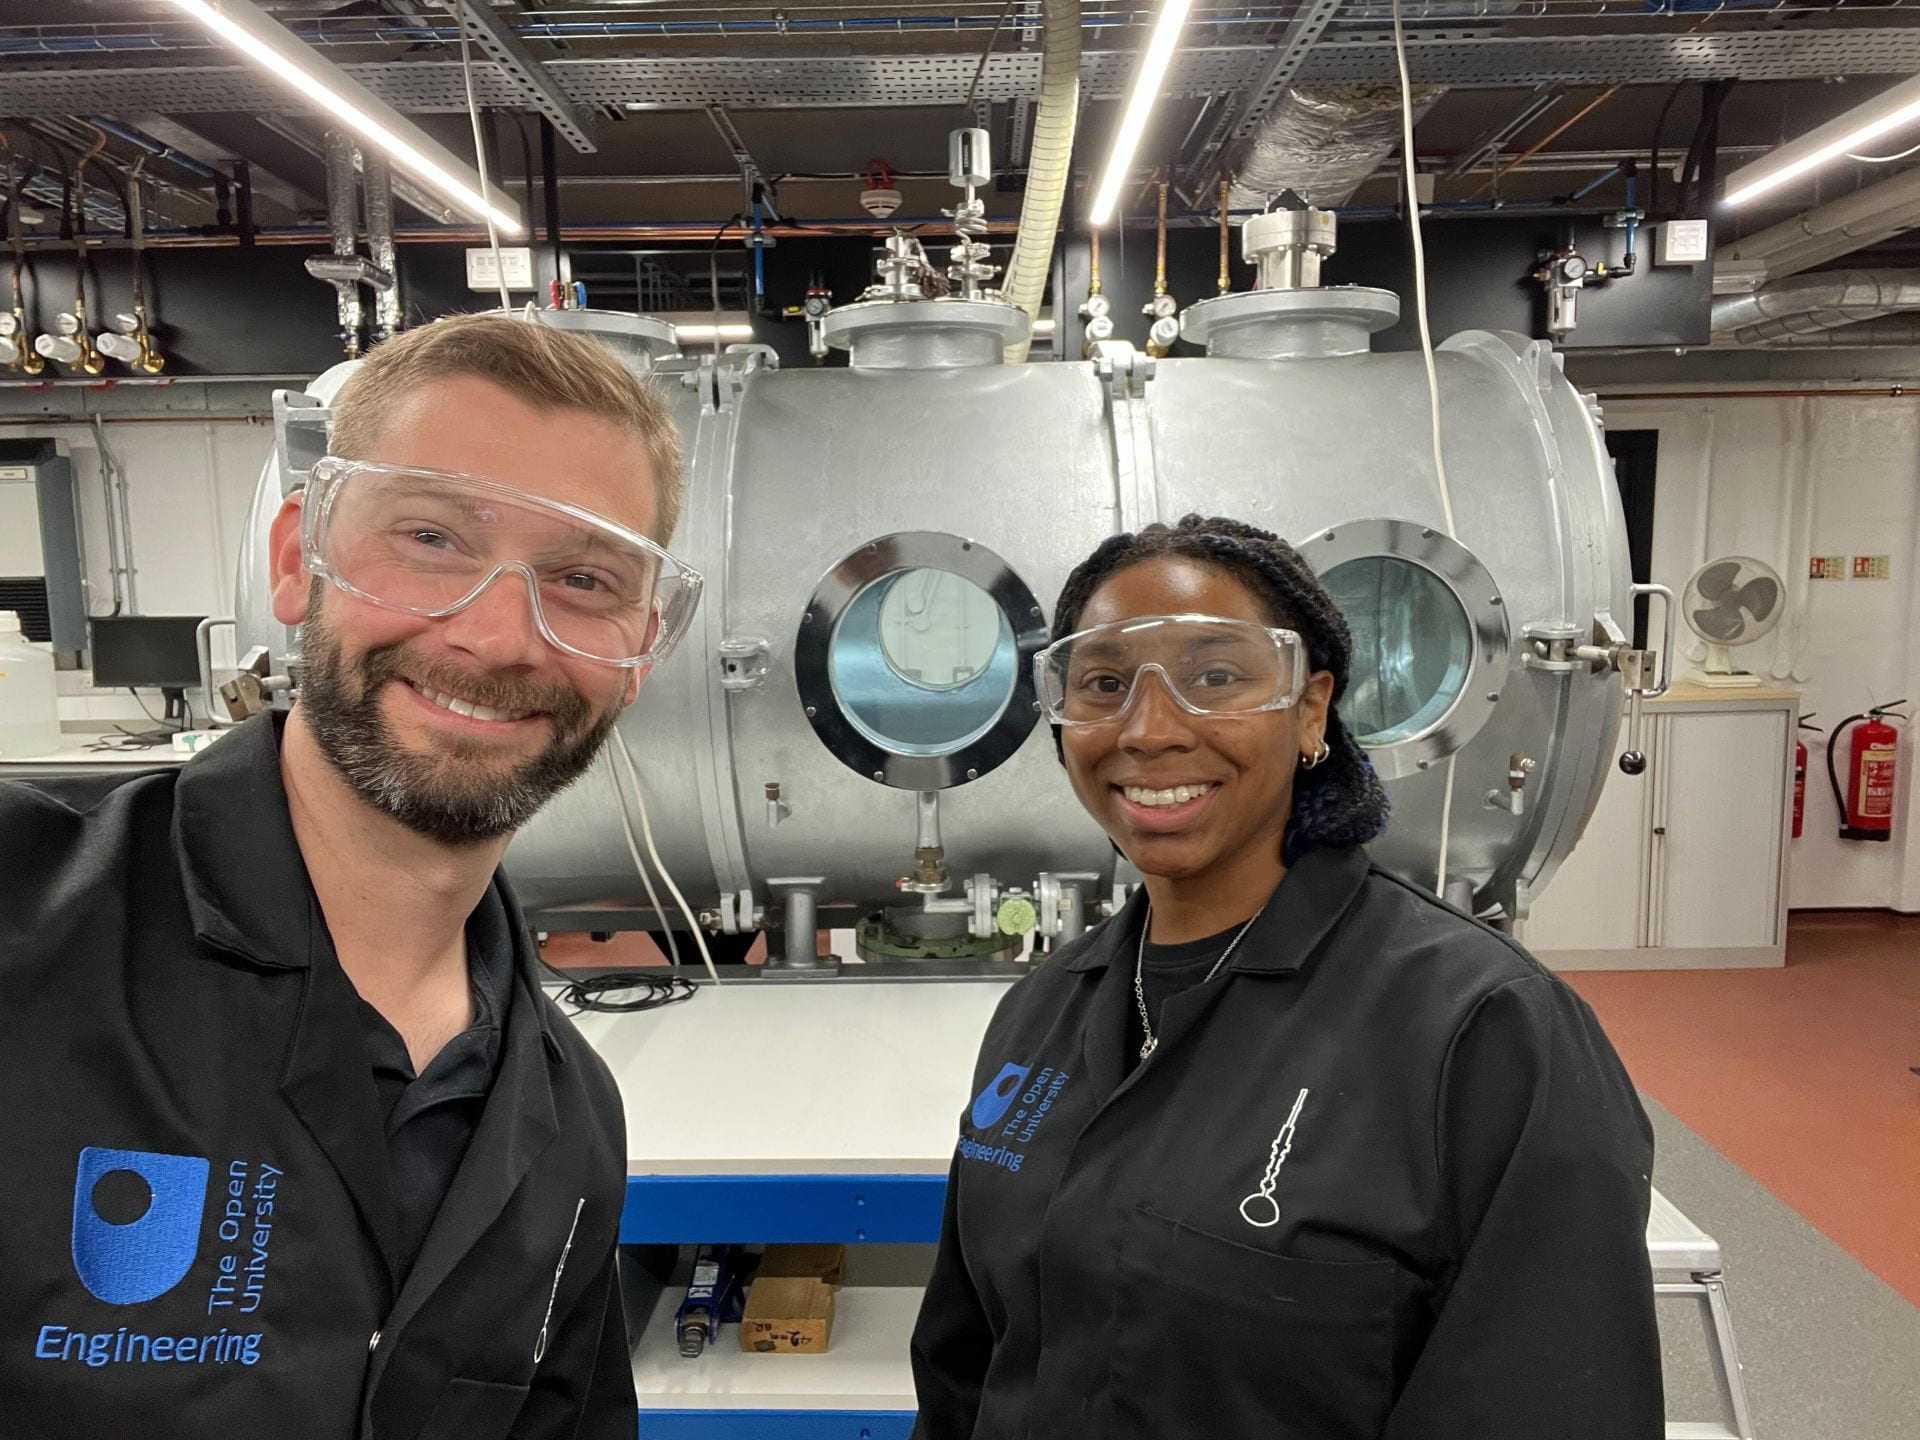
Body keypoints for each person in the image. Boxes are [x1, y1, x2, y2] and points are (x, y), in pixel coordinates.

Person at [0, 314, 698, 1439]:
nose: (497, 636)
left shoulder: (566, 1121)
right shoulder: (24, 922)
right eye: (431, 537)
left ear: (639, 652)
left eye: (582, 577)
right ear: (297, 558)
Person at [909, 514, 1662, 1440]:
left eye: (1216, 677)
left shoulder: (1485, 1032)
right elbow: (962, 1372)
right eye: (1104, 684)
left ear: (1310, 711)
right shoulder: (1044, 1009)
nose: (1148, 729)